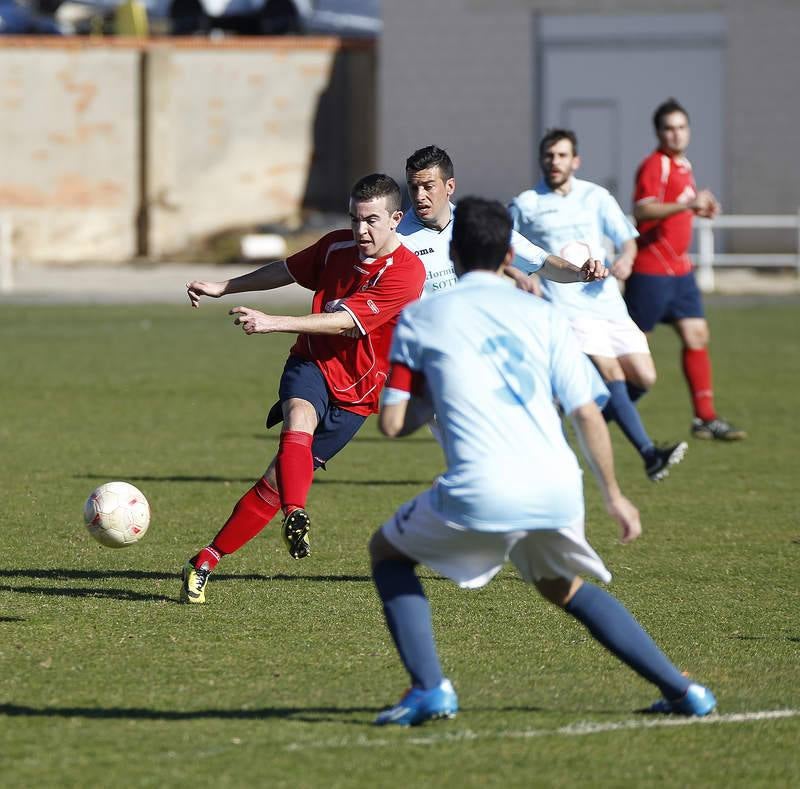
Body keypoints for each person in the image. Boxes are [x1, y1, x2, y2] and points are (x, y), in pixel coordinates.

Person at [368, 196, 716, 726]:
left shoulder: (422, 317)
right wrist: (615, 496)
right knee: (563, 587)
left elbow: (393, 424)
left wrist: (429, 394)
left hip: (484, 485)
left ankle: (429, 688)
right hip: (557, 484)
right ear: (508, 252)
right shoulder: (546, 316)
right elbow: (588, 413)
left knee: (387, 553)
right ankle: (685, 690)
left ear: (453, 254)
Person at [179, 173, 426, 604]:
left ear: (396, 219)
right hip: (311, 361)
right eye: (354, 219)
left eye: (370, 220)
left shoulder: (407, 272)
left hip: (360, 393)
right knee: (298, 416)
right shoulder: (335, 246)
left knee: (277, 480)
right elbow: (287, 269)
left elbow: (346, 321)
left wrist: (273, 322)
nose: (360, 230)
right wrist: (224, 286)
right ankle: (294, 514)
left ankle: (205, 556)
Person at [510, 129, 687, 482]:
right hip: (565, 306)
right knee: (612, 374)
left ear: (575, 161)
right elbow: (501, 247)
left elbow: (627, 239)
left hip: (608, 304)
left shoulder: (596, 197)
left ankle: (588, 420)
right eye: (549, 155)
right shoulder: (526, 203)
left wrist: (626, 259)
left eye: (562, 155)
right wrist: (520, 275)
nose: (554, 162)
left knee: (645, 377)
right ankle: (650, 454)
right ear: (542, 159)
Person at [626, 98, 746, 441]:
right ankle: (600, 409)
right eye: (668, 128)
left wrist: (698, 210)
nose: (675, 134)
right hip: (650, 271)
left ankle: (704, 418)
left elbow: (678, 210)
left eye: (681, 127)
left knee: (697, 335)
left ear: (688, 131)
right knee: (632, 352)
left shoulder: (682, 166)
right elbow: (643, 211)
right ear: (659, 132)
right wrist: (687, 204)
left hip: (680, 272)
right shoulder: (654, 165)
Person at [398, 145, 609, 295]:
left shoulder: (476, 223)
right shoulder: (397, 239)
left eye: (428, 186)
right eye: (413, 187)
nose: (419, 196)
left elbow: (541, 262)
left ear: (450, 186)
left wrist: (579, 274)